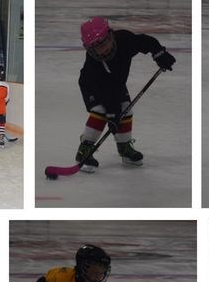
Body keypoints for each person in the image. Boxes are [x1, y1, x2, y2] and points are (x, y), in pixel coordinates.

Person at [75, 16, 176, 172]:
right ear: (90, 49)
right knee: (101, 111)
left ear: (111, 35)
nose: (105, 48)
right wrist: (112, 115)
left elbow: (146, 42)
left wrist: (159, 54)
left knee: (125, 108)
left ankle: (124, 147)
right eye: (98, 46)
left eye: (106, 41)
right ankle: (85, 149)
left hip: (116, 83)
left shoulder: (124, 39)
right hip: (93, 86)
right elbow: (106, 95)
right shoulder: (93, 66)